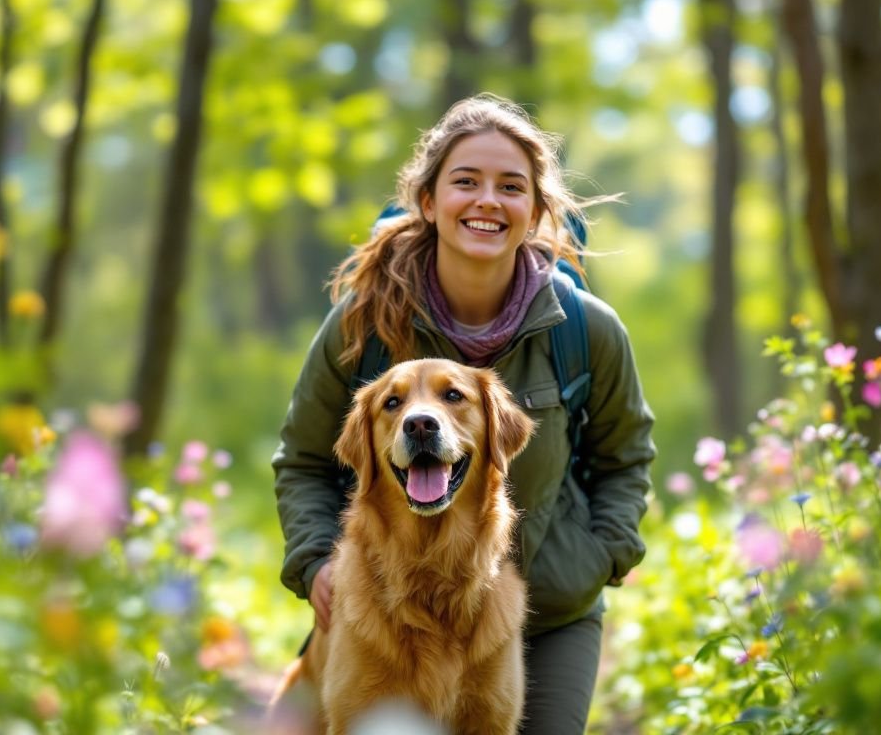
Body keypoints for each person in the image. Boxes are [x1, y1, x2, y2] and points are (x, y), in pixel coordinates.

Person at [272, 93, 656, 734]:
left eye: (511, 186)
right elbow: (306, 460)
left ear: (535, 210)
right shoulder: (361, 323)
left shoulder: (586, 329)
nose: (487, 201)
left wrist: (600, 556)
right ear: (428, 201)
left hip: (547, 614)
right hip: (387, 610)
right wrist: (316, 563)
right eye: (465, 181)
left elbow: (626, 457)